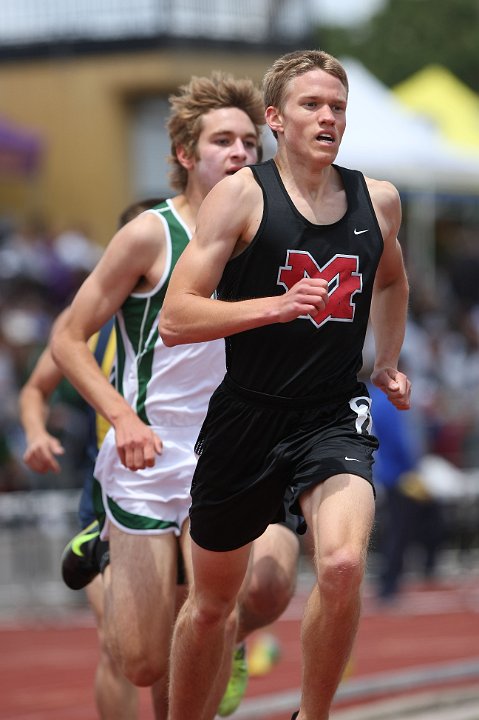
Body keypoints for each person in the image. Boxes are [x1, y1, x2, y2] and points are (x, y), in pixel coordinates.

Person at [159, 49, 411, 720]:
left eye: (337, 107)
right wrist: (273, 306)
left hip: (331, 413)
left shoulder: (376, 201)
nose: (327, 117)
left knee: (339, 566)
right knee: (212, 608)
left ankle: (313, 714)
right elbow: (177, 317)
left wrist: (384, 359)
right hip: (246, 418)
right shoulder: (240, 196)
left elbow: (390, 279)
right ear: (274, 118)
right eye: (311, 105)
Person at [51, 72, 300, 719]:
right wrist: (121, 419)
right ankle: (122, 554)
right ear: (187, 155)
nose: (240, 152)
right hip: (152, 453)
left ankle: (224, 633)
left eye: (250, 141)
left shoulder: (276, 236)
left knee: (263, 591)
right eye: (222, 140)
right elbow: (68, 337)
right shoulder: (149, 236)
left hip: (237, 450)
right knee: (141, 658)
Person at [19, 197, 165, 720]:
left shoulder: (190, 306)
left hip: (184, 477)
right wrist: (36, 433)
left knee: (188, 631)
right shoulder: (86, 318)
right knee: (118, 644)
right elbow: (34, 389)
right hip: (109, 491)